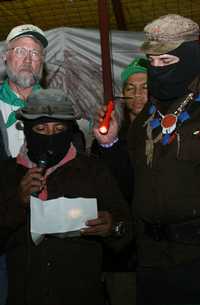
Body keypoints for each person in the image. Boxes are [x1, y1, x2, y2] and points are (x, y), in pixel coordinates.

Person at [97, 13, 200, 305]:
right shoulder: (147, 116)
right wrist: (110, 144)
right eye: (152, 62)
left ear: (191, 57)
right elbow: (130, 180)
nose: (156, 70)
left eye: (165, 61)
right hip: (150, 258)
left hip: (194, 259)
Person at [0, 88, 132, 305]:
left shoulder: (92, 170)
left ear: (70, 129)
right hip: (25, 294)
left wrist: (112, 227)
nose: (50, 136)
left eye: (59, 128)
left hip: (81, 294)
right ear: (26, 129)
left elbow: (127, 229)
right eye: (41, 129)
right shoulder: (7, 173)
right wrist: (18, 202)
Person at [92, 57, 148, 305]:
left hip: (163, 253)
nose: (138, 94)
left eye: (145, 86)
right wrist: (109, 144)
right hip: (122, 253)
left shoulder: (171, 135)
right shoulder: (109, 137)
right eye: (130, 88)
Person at [0, 23, 48, 305]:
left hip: (46, 232)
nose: (28, 58)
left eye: (36, 53)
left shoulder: (58, 106)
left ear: (42, 62)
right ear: (6, 57)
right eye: (21, 51)